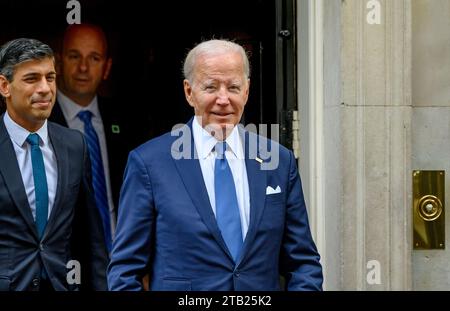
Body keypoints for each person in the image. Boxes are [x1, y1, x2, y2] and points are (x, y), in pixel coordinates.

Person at [108, 39, 323, 291]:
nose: (223, 99)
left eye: (233, 87)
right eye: (211, 87)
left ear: (247, 91)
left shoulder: (277, 161)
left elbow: (304, 265)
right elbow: (124, 272)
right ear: (189, 92)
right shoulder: (149, 163)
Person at [0, 38, 108, 290]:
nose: (45, 88)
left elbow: (89, 235)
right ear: (4, 86)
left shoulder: (74, 145)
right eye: (31, 79)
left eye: (50, 77)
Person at [49, 24, 135, 253]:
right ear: (57, 63)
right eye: (74, 56)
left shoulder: (128, 122)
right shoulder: (33, 124)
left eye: (94, 58)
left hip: (123, 265)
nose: (84, 67)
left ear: (106, 68)